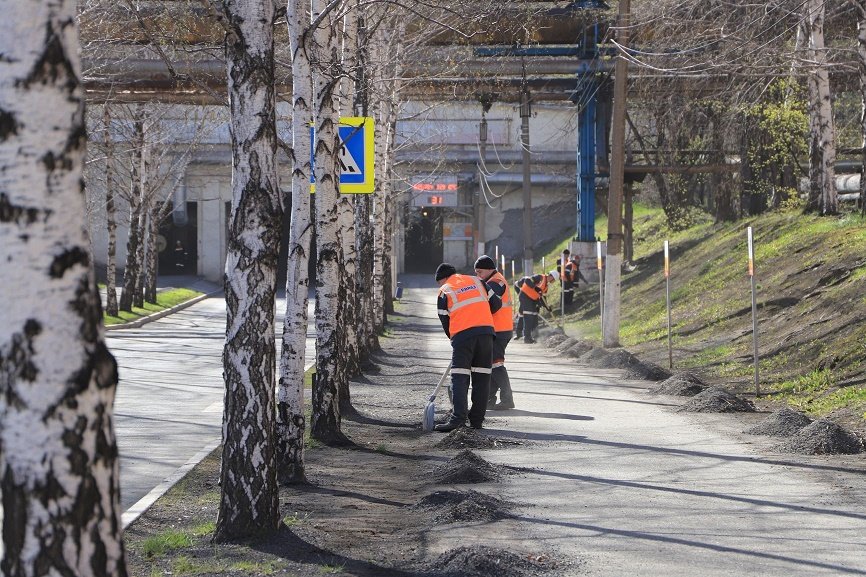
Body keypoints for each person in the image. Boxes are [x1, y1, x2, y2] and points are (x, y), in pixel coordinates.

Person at [434, 263, 499, 432]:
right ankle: (477, 421)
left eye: (439, 282)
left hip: (463, 337)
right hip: (486, 334)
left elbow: (445, 323)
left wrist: (455, 340)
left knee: (460, 378)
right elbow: (496, 304)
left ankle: (458, 420)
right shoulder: (477, 281)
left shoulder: (444, 290)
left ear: (442, 279)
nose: (439, 285)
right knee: (482, 378)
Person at [474, 255, 516, 410]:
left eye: (480, 272)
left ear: (490, 269)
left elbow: (492, 304)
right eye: (476, 273)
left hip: (500, 329)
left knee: (496, 364)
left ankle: (507, 399)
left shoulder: (496, 282)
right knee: (491, 364)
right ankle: (489, 399)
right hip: (497, 328)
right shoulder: (492, 280)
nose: (478, 275)